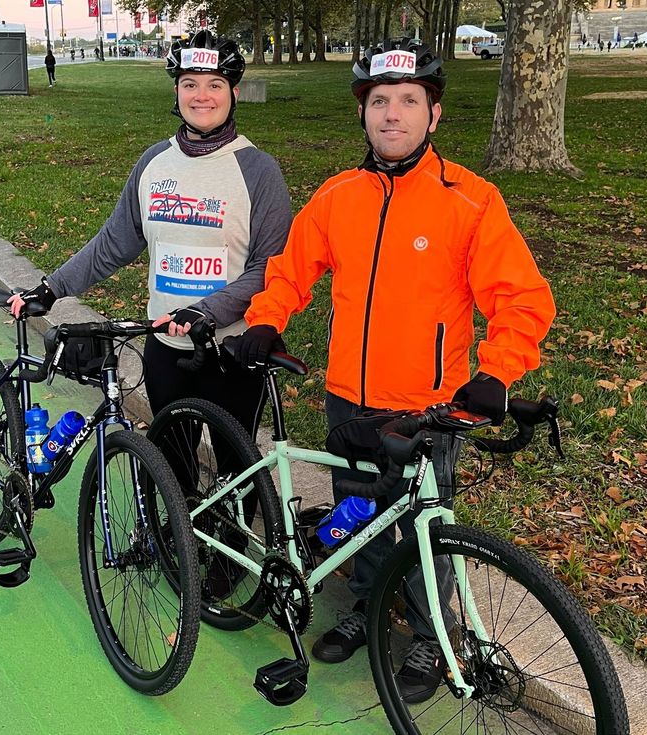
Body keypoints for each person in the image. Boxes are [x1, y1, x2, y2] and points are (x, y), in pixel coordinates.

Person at [234, 38, 555, 703]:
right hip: (349, 399)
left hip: (428, 407)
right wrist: (267, 318)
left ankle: (436, 636)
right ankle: (365, 605)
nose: (392, 114)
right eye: (379, 101)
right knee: (358, 513)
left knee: (425, 529)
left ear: (432, 116)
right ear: (364, 114)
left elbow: (521, 297)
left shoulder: (470, 200)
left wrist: (497, 370)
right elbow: (292, 271)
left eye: (409, 101)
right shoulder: (338, 195)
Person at [8, 29, 291, 453]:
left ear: (233, 92)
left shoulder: (259, 171)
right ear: (176, 91)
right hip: (164, 348)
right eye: (189, 84)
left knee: (238, 480)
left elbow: (269, 269)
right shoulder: (154, 163)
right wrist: (52, 288)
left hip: (230, 349)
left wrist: (205, 311)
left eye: (215, 85)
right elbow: (114, 243)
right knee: (171, 472)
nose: (202, 96)